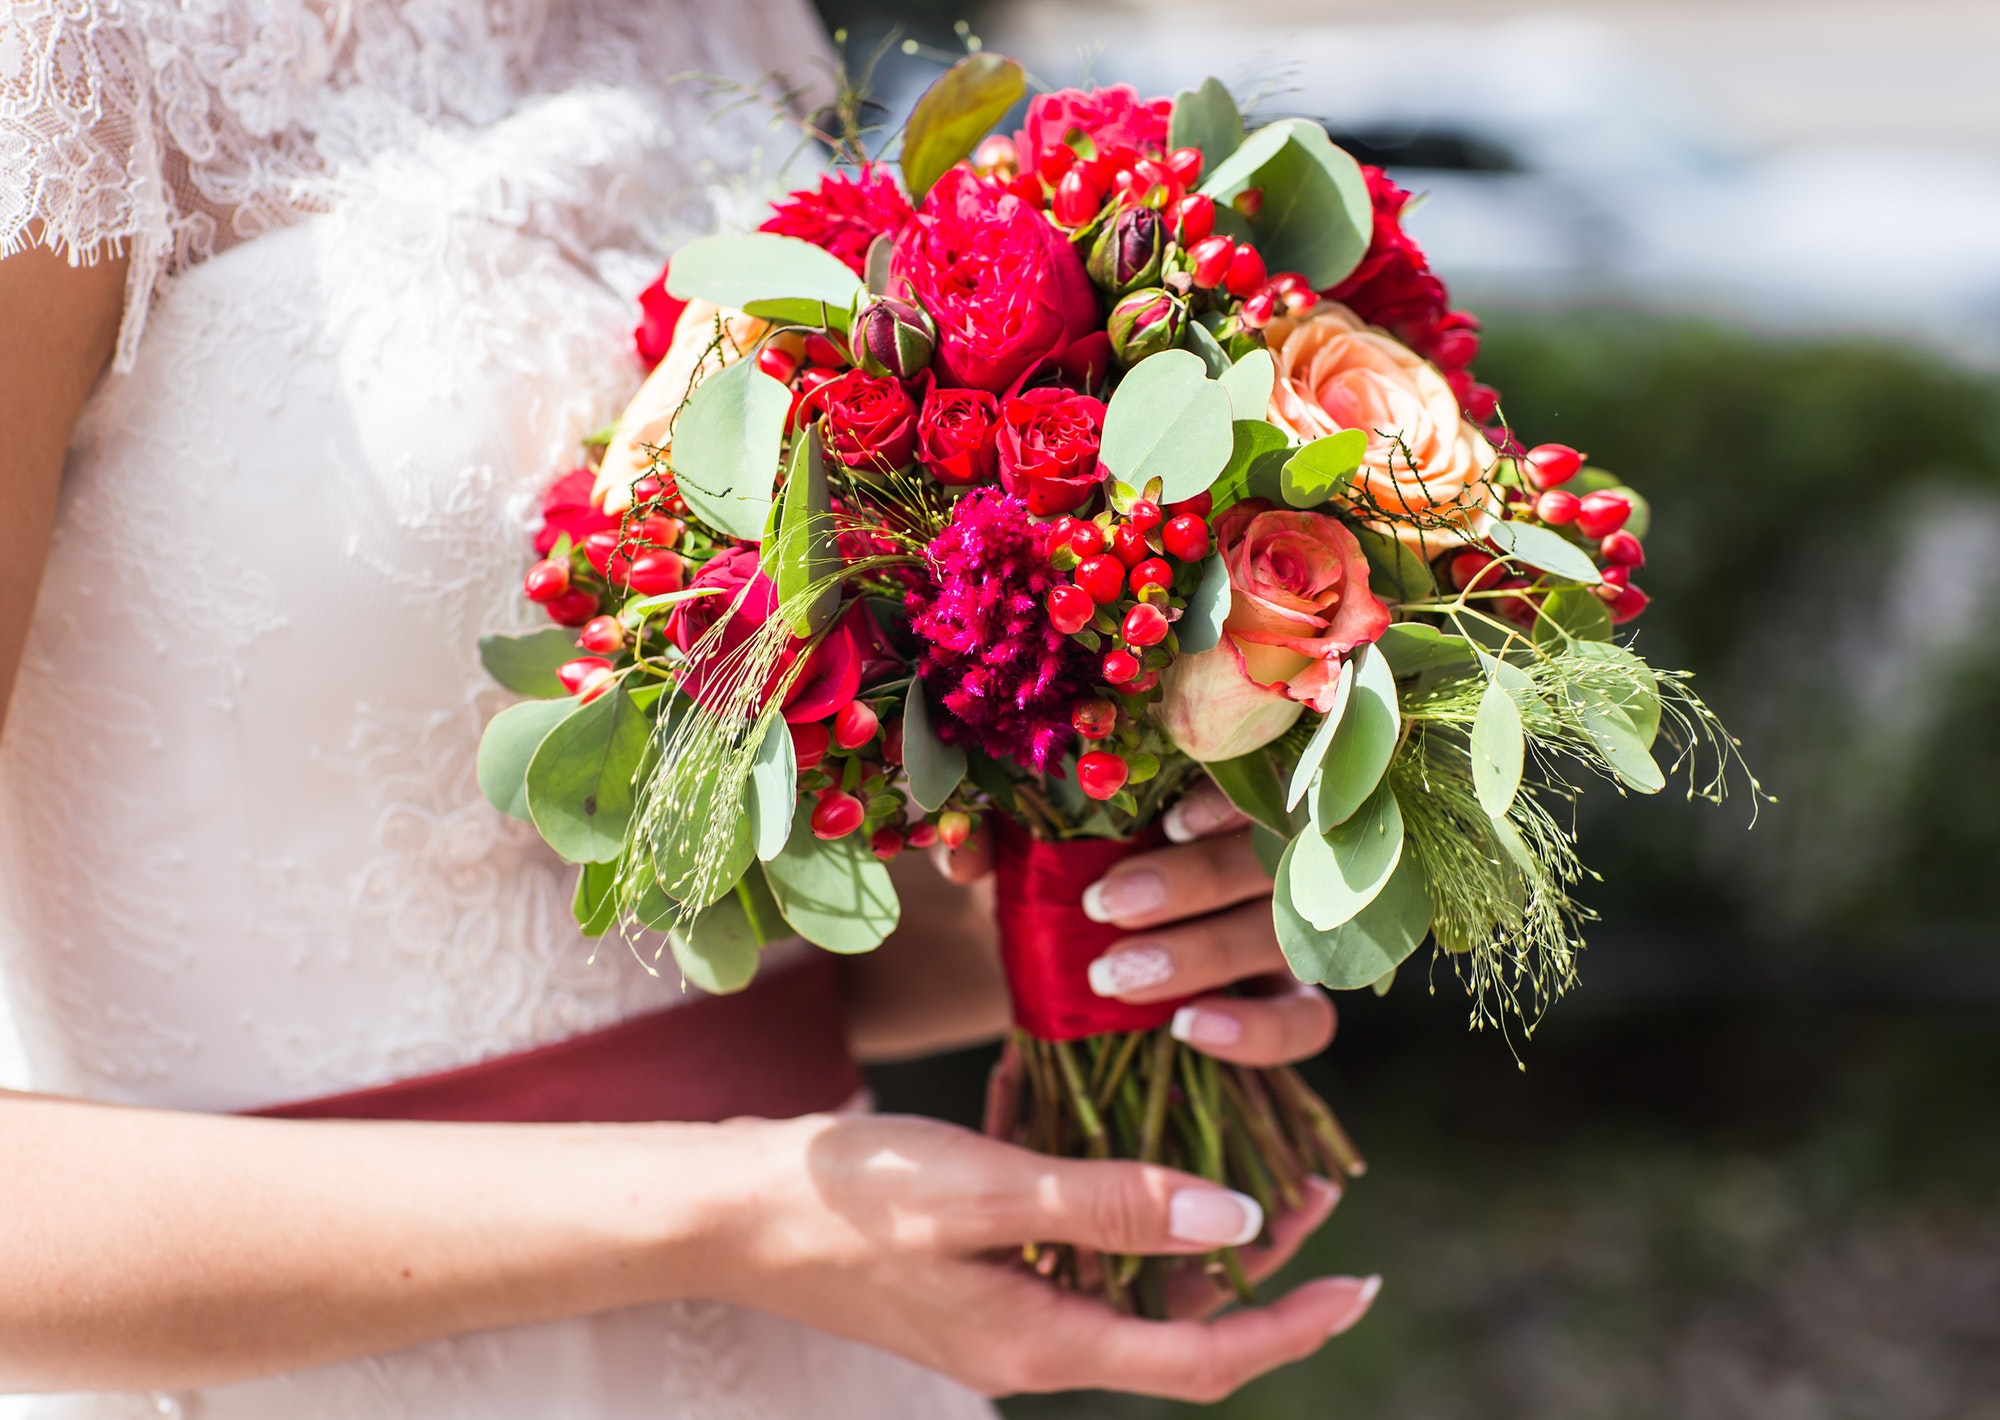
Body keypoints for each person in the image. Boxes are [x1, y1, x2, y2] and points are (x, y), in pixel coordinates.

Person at [0, 0, 1377, 1412]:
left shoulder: (718, 21)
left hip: (828, 1339)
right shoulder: (57, 65)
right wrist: (738, 1211)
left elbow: (692, 927)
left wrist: (1094, 909)